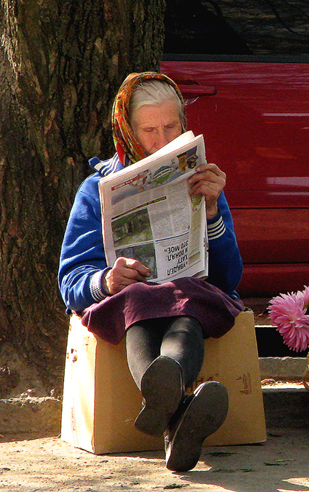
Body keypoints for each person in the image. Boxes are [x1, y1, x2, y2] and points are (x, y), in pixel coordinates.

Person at [58, 72, 244, 472]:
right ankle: (178, 414)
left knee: (184, 305)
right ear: (127, 131)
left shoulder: (203, 180)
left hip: (189, 300)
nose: (161, 141)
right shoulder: (97, 189)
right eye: (149, 130)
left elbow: (229, 278)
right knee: (141, 299)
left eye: (171, 127)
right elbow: (70, 277)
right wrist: (105, 280)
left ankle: (165, 408)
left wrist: (212, 213)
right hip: (130, 304)